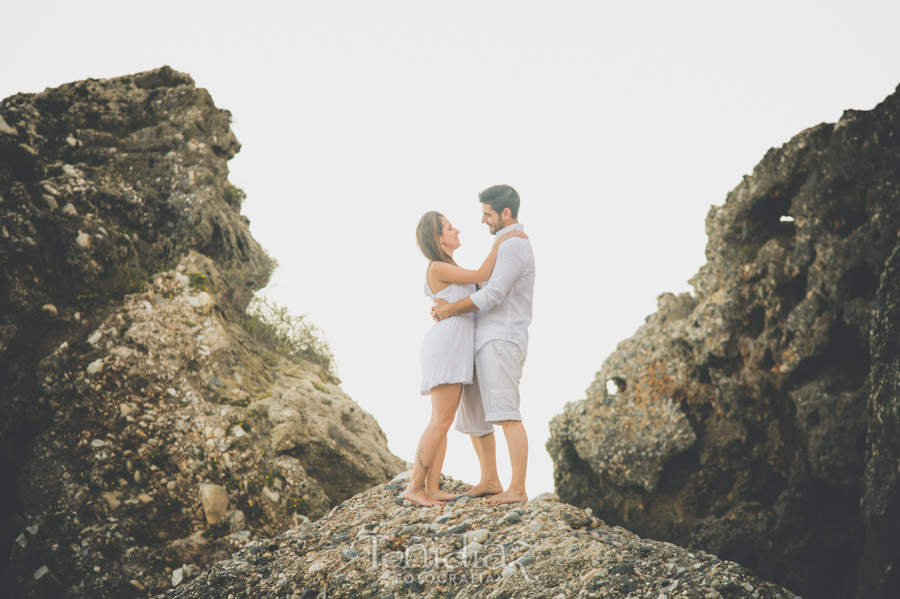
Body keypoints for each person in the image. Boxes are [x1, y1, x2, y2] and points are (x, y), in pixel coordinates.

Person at [403, 210, 527, 507]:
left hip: (456, 347)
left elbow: (478, 293)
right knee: (441, 419)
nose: (456, 230)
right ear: (437, 238)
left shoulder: (447, 267)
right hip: (446, 347)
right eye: (449, 227)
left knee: (443, 421)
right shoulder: (437, 267)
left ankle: (431, 487)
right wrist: (504, 239)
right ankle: (414, 486)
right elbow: (483, 276)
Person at [432, 184, 535, 506]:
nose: (482, 221)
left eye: (487, 214)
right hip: (482, 338)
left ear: (506, 214)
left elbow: (493, 295)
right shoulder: (504, 244)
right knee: (476, 414)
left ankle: (517, 488)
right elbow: (480, 284)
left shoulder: (514, 246)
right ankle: (490, 479)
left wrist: (449, 310)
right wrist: (447, 300)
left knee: (506, 413)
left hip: (502, 338)